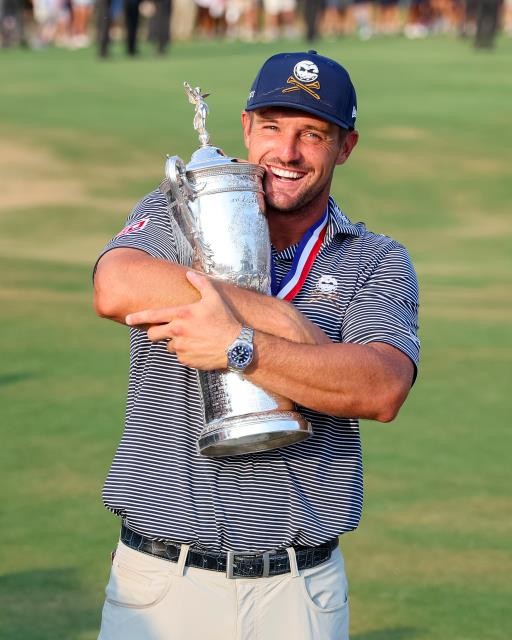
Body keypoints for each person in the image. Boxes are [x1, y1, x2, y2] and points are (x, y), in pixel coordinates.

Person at [93, 50, 420, 640]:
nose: (287, 153)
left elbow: (382, 387)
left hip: (298, 590)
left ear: (345, 147)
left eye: (312, 135)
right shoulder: (183, 207)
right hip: (164, 583)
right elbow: (115, 284)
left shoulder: (376, 258)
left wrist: (241, 344)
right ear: (245, 128)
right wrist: (284, 321)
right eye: (272, 127)